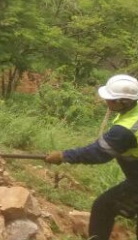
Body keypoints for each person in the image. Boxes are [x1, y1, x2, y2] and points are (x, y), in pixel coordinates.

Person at [45, 74, 138, 240]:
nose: (106, 102)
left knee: (103, 206)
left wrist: (64, 156)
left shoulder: (124, 130)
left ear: (124, 102)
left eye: (110, 99)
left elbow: (98, 154)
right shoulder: (132, 112)